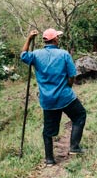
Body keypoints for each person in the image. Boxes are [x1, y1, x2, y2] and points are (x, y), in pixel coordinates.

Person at [21, 28, 87, 166]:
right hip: (65, 97)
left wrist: (29, 38)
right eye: (57, 36)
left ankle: (49, 159)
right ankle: (74, 147)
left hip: (47, 99)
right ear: (55, 39)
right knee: (79, 115)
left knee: (48, 131)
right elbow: (71, 76)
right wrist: (68, 86)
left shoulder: (36, 55)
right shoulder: (64, 54)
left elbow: (23, 55)